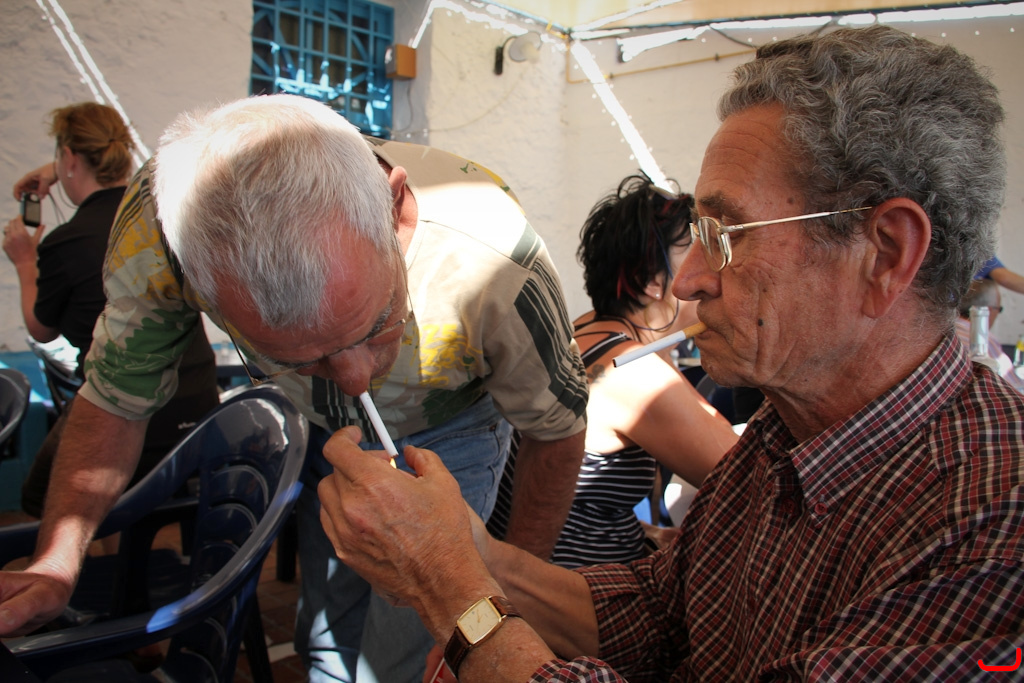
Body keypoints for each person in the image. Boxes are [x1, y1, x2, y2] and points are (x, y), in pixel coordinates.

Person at [315, 25, 1024, 682]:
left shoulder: (992, 527)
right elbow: (658, 611)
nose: (688, 282)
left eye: (727, 234)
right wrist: (471, 552)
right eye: (697, 236)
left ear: (886, 253)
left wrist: (456, 592)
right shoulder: (780, 438)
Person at [0, 94, 588, 683]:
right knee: (325, 635)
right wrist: (55, 563)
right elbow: (114, 399)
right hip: (321, 429)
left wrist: (502, 602)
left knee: (408, 651)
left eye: (378, 323)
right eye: (294, 359)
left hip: (449, 429)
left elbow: (556, 431)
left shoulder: (494, 255)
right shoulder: (164, 228)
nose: (357, 381)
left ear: (393, 204)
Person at [489, 173, 737, 567]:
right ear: (651, 280)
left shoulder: (583, 330)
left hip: (550, 567)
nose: (711, 275)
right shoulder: (632, 372)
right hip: (579, 591)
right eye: (697, 252)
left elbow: (581, 505)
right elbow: (752, 477)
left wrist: (643, 533)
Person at [2, 102, 219, 519]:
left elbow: (42, 330)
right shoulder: (159, 216)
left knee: (39, 496)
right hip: (202, 410)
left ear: (70, 158)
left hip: (134, 419)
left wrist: (25, 262)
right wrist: (57, 170)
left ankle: (100, 552)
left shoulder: (67, 240)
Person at [955, 277, 1024, 391]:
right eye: (999, 309)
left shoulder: (945, 332)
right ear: (987, 311)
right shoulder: (984, 340)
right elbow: (1014, 387)